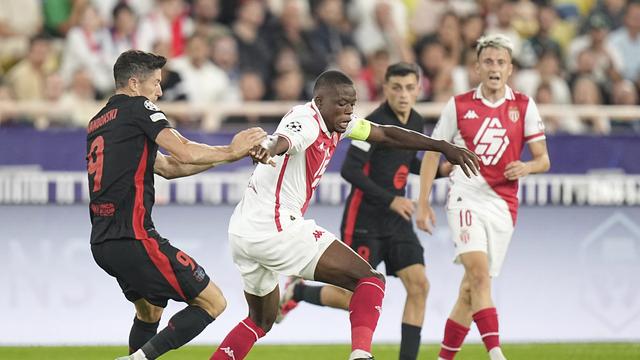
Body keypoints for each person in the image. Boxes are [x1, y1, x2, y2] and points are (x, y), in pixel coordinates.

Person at [210, 70, 480, 360]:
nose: (348, 110)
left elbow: (386, 134)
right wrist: (267, 147)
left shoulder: (340, 123)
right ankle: (361, 354)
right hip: (275, 227)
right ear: (319, 101)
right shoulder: (307, 120)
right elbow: (283, 139)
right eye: (340, 104)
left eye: (352, 103)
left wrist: (442, 146)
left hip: (242, 231)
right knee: (371, 281)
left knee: (260, 321)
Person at [87, 50, 271, 360]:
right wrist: (231, 149)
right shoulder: (139, 109)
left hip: (103, 242)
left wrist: (229, 156)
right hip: (134, 237)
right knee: (213, 302)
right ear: (134, 84)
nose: (159, 92)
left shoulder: (99, 122)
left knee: (150, 310)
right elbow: (183, 151)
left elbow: (170, 168)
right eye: (155, 84)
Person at [274, 62, 452, 360]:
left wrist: (442, 170)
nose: (404, 94)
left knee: (419, 286)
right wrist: (391, 199)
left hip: (397, 222)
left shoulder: (417, 121)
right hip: (365, 220)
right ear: (386, 89)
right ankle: (300, 292)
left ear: (419, 89)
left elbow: (408, 165)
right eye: (397, 87)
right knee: (352, 296)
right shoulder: (374, 122)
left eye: (410, 87)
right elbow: (350, 170)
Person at [415, 34, 551, 360]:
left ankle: (443, 358)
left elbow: (543, 160)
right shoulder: (458, 105)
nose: (494, 68)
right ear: (477, 68)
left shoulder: (523, 105)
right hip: (465, 196)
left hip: (503, 205)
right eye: (488, 62)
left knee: (470, 289)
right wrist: (422, 202)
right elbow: (434, 153)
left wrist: (527, 167)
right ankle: (496, 353)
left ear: (510, 69)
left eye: (500, 62)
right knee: (477, 273)